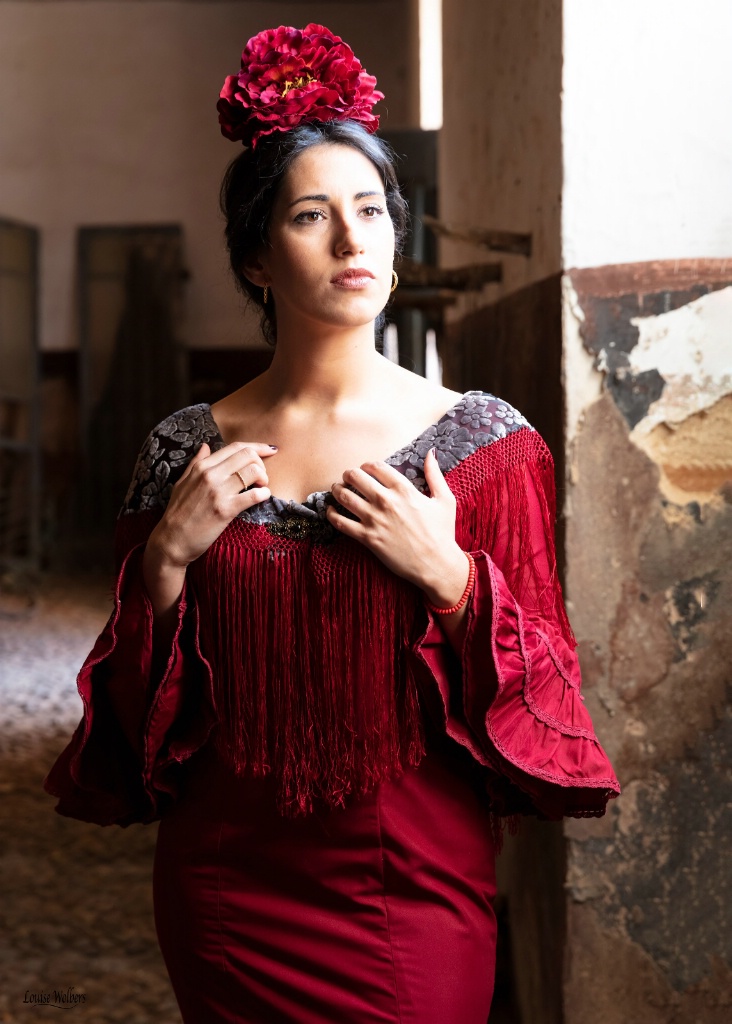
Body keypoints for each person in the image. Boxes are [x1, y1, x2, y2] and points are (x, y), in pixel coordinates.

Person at [44, 23, 620, 1024]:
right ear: (258, 259)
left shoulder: (485, 445)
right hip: (226, 895)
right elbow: (128, 726)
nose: (353, 241)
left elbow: (553, 700)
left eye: (371, 211)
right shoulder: (185, 449)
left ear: (398, 239)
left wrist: (453, 580)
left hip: (411, 895)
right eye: (313, 216)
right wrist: (167, 565)